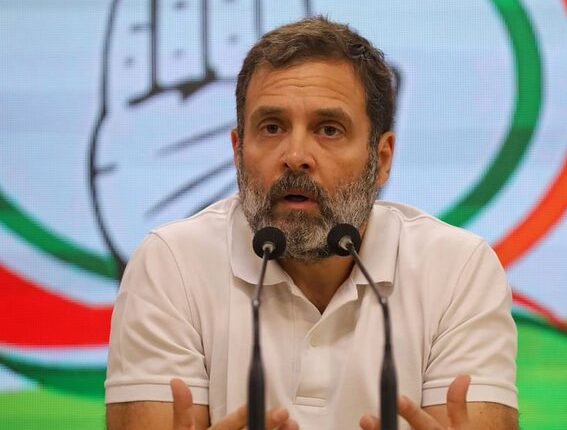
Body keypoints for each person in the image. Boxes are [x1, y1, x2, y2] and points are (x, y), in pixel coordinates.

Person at [105, 16, 518, 430]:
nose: (296, 156)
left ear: (382, 159)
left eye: (329, 130)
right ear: (238, 150)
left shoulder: (457, 270)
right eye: (272, 128)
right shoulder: (172, 264)